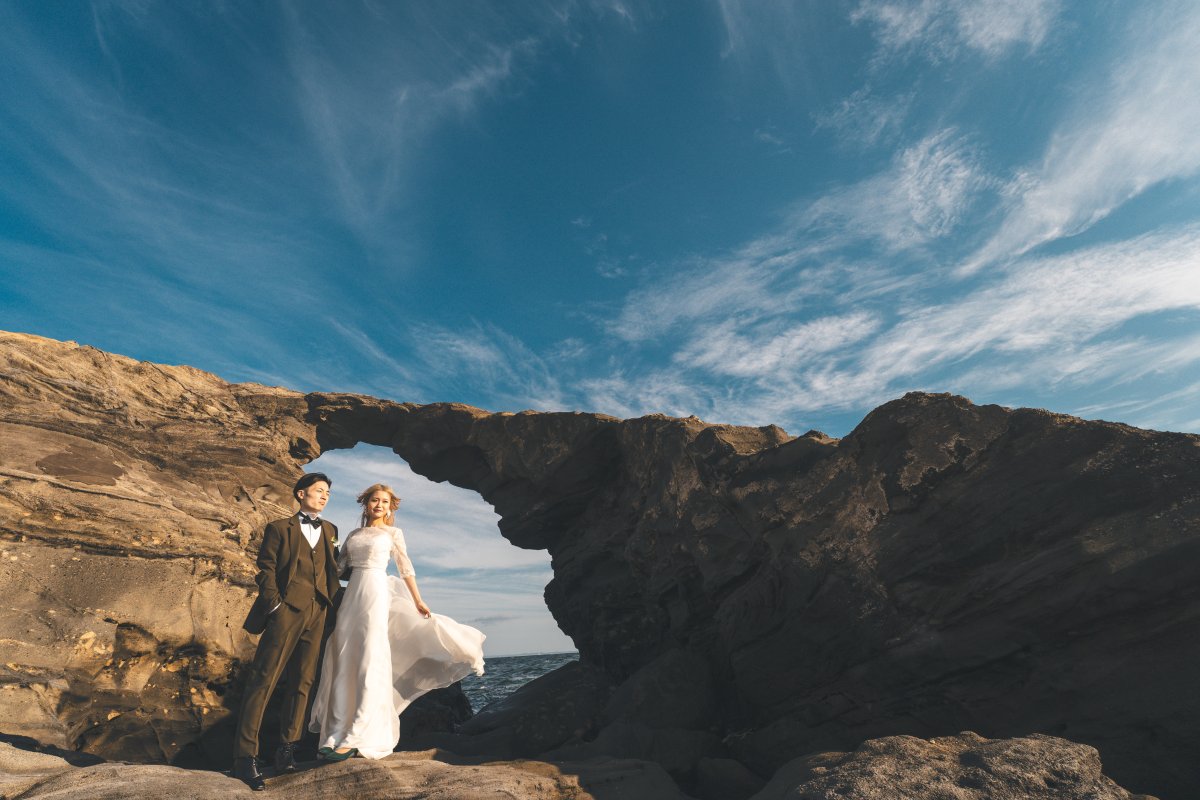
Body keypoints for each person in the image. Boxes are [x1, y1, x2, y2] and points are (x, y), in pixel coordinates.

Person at [308, 483, 485, 760]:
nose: (379, 505)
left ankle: (358, 733)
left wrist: (418, 600)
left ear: (391, 508)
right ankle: (336, 731)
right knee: (343, 656)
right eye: (375, 500)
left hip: (376, 592)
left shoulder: (393, 534)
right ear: (365, 504)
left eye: (385, 502)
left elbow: (406, 569)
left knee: (368, 657)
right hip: (352, 596)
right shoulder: (354, 534)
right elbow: (338, 569)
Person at [233, 473, 340, 791]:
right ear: (301, 494)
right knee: (263, 680)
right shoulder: (279, 528)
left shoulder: (331, 530)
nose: (324, 496)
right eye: (319, 491)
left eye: (328, 492)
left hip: (319, 612)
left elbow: (334, 567)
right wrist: (276, 606)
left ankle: (287, 750)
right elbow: (265, 569)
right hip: (285, 611)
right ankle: (244, 758)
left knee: (304, 682)